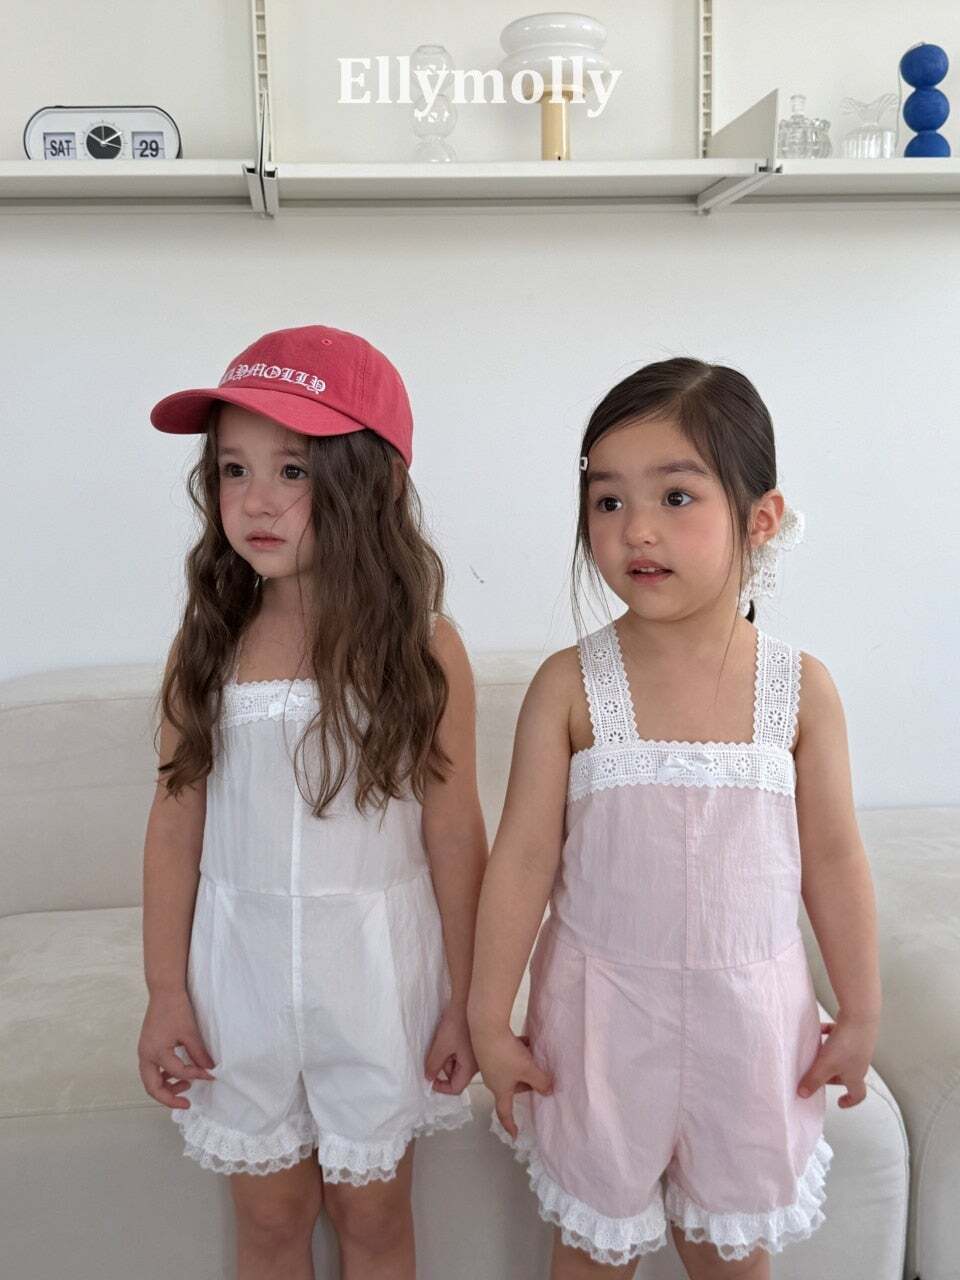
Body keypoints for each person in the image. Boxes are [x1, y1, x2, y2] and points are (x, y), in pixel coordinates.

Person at [467, 357, 881, 1280]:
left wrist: (860, 1009)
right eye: (607, 501)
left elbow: (834, 859)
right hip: (599, 1029)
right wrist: (490, 1018)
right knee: (590, 1253)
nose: (637, 529)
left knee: (732, 1257)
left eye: (676, 497)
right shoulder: (569, 685)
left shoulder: (800, 689)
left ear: (760, 519)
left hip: (753, 1030)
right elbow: (523, 859)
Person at [137, 325, 486, 1280]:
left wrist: (467, 1001)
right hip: (237, 988)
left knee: (372, 1220)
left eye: (291, 470)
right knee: (270, 1220)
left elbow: (456, 832)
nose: (255, 500)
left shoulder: (421, 647)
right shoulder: (208, 643)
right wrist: (165, 992)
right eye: (233, 469)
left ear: (367, 482)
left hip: (375, 985)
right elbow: (173, 828)